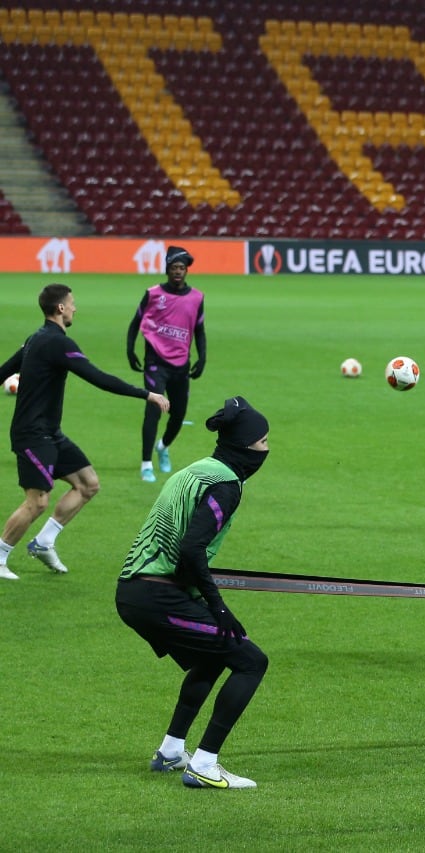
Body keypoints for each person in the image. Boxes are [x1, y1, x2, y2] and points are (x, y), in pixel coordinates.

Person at [115, 396, 271, 790]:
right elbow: (190, 550)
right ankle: (204, 764)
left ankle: (171, 751)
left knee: (213, 656)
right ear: (245, 445)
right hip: (156, 597)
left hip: (138, 589)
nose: (267, 450)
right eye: (263, 442)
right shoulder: (226, 485)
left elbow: (182, 552)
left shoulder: (198, 469)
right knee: (251, 661)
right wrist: (217, 608)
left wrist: (203, 599)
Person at [0, 284, 169, 580]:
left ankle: (44, 542)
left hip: (50, 432)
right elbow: (99, 378)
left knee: (88, 484)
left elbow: (2, 373)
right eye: (72, 303)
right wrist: (147, 394)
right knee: (37, 501)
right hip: (32, 434)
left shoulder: (35, 339)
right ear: (61, 309)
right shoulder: (57, 343)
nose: (75, 308)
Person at [126, 245, 207, 483]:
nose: (178, 272)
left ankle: (162, 447)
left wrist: (202, 357)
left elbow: (199, 330)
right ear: (167, 269)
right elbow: (135, 323)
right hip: (155, 362)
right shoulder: (153, 294)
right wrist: (130, 350)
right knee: (153, 409)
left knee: (178, 413)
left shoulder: (197, 298)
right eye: (174, 268)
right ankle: (146, 464)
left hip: (181, 364)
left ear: (187, 270)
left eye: (182, 268)